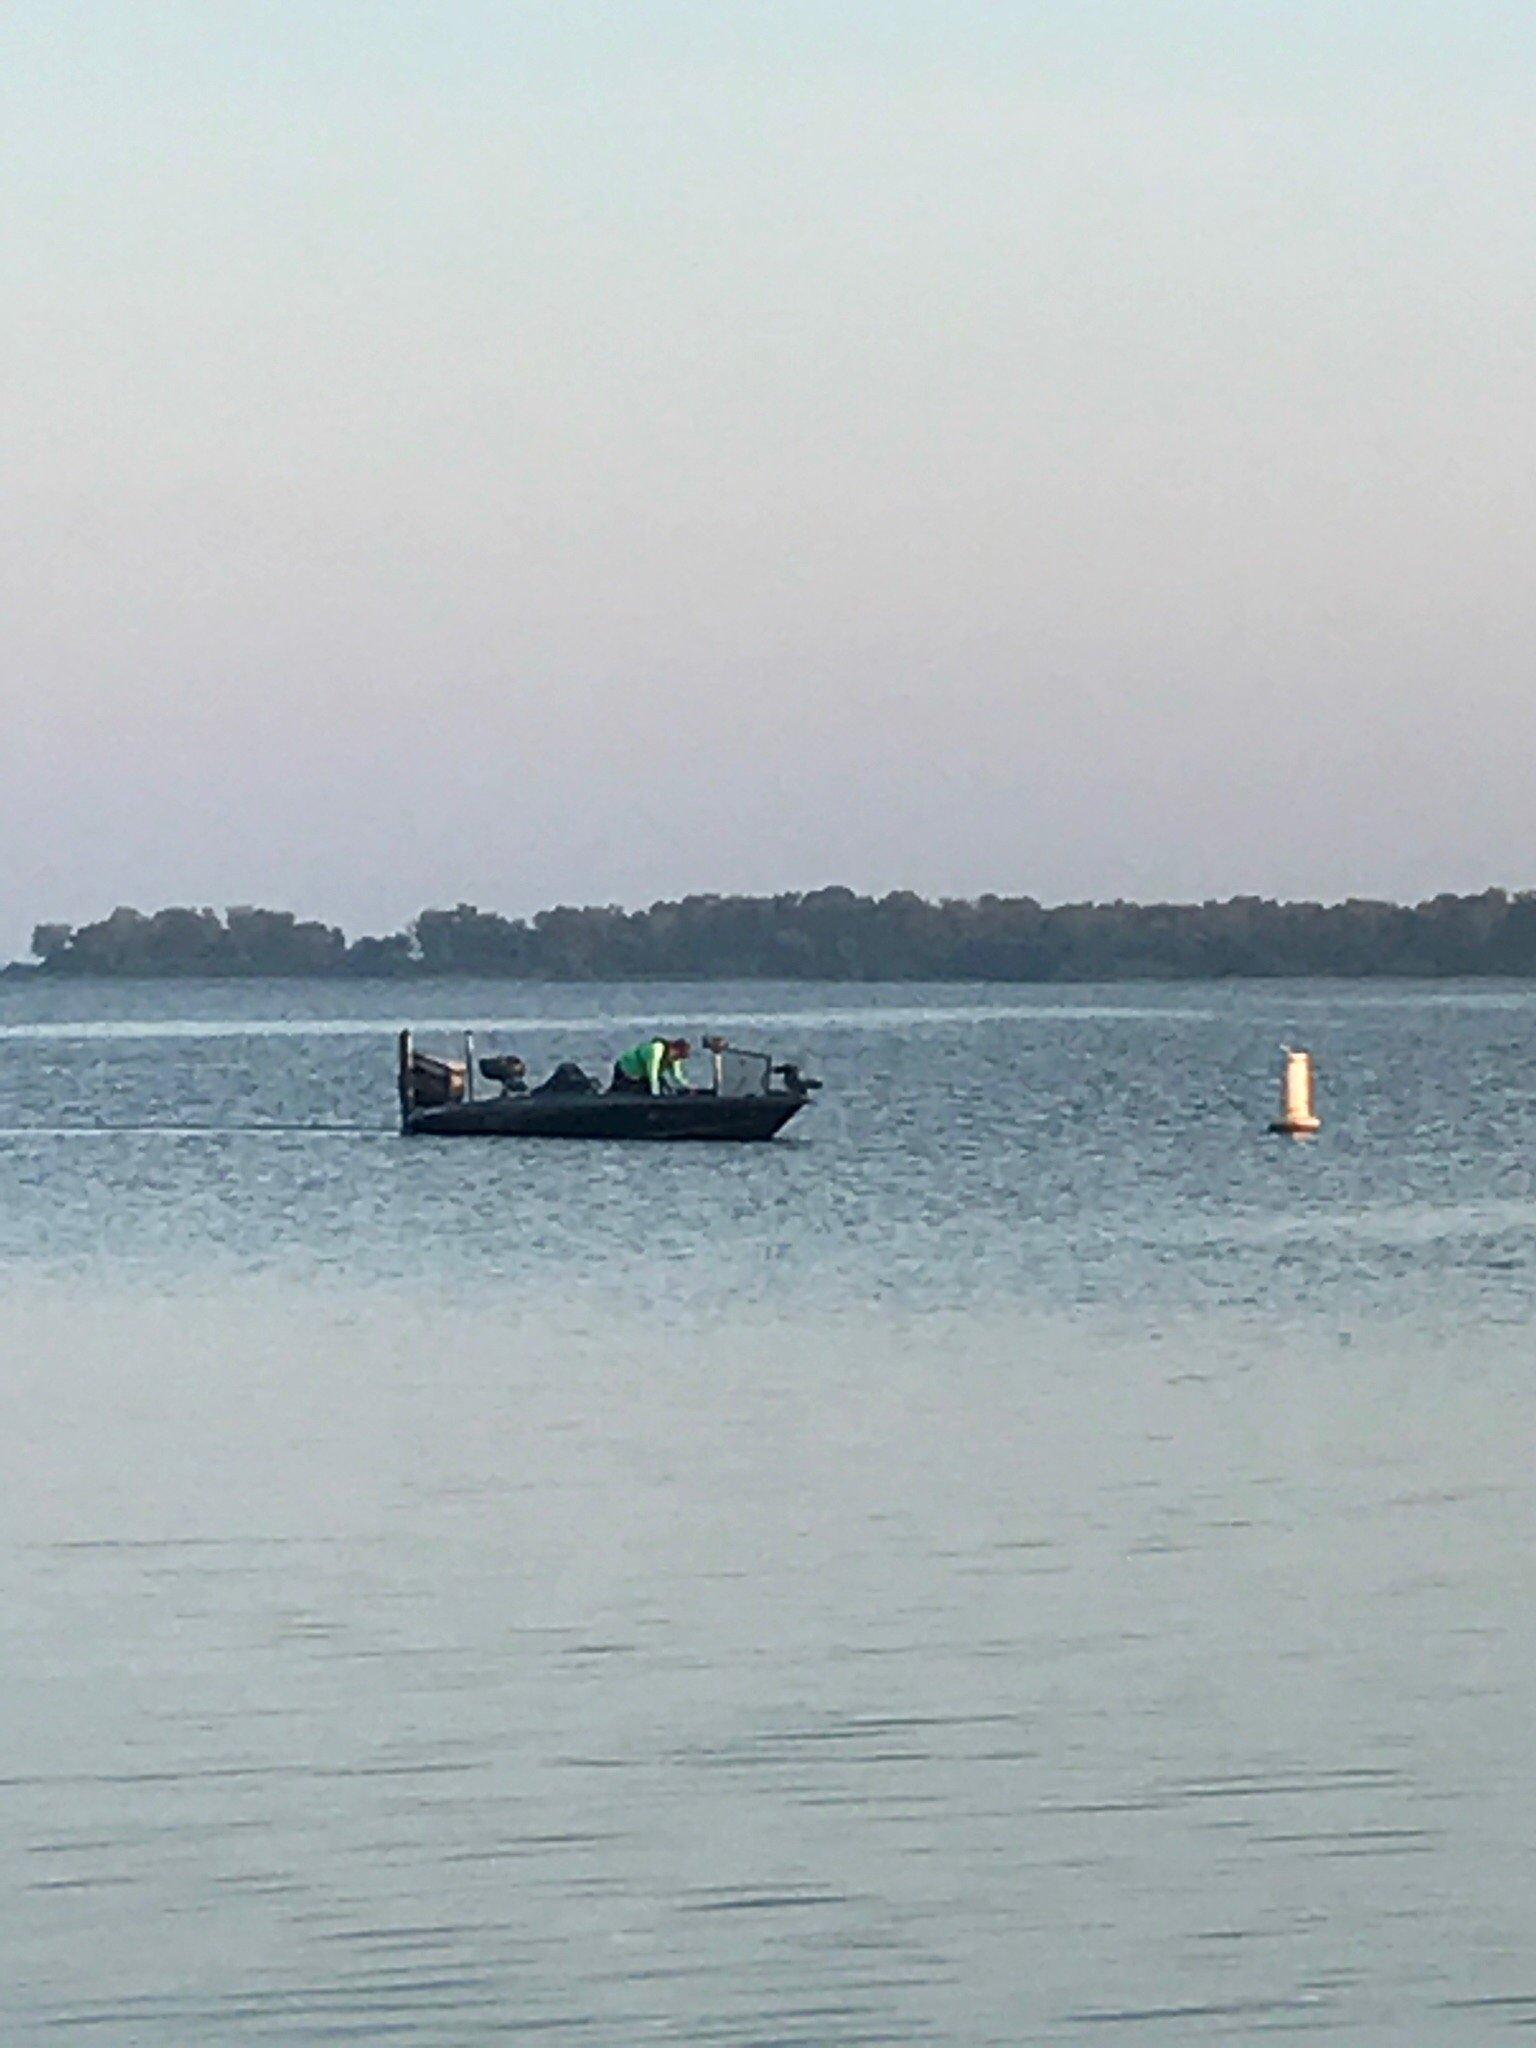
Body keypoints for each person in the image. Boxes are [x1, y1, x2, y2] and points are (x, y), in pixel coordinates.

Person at [611, 1036, 692, 1095]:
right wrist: (656, 1096)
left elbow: (677, 1076)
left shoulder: (675, 1058)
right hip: (626, 1069)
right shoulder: (658, 1049)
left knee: (663, 1086)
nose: (677, 1059)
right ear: (674, 1048)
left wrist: (689, 1087)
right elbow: (653, 1074)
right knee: (621, 1091)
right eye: (677, 1056)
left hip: (642, 1076)